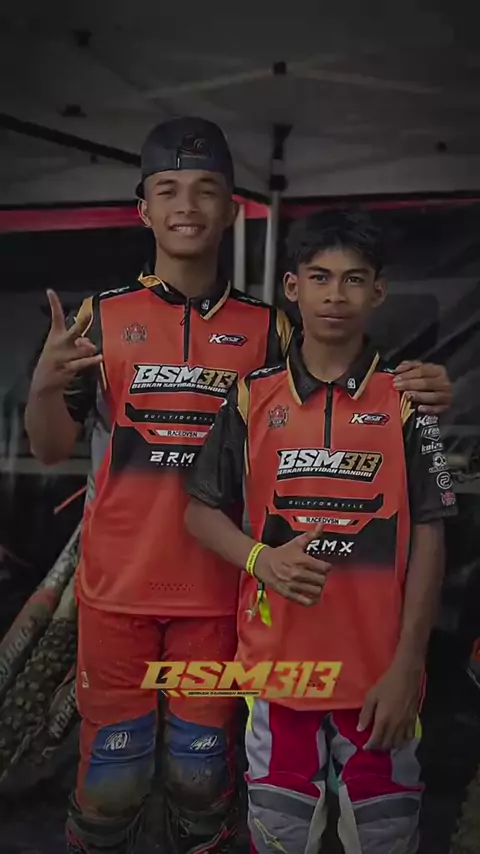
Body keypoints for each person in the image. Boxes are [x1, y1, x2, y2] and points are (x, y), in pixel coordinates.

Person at [25, 121, 450, 854]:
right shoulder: (102, 316)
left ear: (232, 209)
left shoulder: (271, 328)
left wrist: (421, 389)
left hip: (224, 599)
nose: (187, 206)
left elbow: (339, 400)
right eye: (168, 190)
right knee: (113, 780)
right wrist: (41, 386)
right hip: (116, 589)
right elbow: (50, 448)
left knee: (201, 779)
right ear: (143, 209)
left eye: (206, 190)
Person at [185, 209, 458, 854]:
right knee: (281, 840)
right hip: (280, 675)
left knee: (383, 838)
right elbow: (198, 512)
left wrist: (408, 665)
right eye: (320, 277)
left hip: (379, 680)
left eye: (354, 279)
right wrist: (261, 560)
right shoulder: (251, 397)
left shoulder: (409, 403)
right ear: (292, 286)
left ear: (378, 291)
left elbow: (431, 537)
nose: (336, 294)